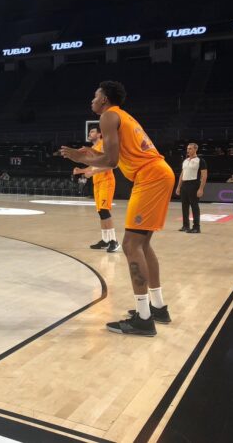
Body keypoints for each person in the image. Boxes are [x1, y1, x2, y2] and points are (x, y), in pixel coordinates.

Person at [61, 81, 174, 337]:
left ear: (104, 99)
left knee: (131, 245)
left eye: (95, 96)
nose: (92, 100)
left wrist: (81, 157)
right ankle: (158, 308)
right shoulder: (122, 116)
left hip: (151, 177)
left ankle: (144, 319)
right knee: (143, 245)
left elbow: (111, 161)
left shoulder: (109, 116)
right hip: (157, 174)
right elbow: (111, 156)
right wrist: (89, 154)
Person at [73, 126, 119, 253]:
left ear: (99, 134)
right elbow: (92, 167)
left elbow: (111, 165)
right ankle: (105, 240)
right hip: (97, 183)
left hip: (106, 181)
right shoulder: (93, 148)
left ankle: (114, 241)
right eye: (89, 132)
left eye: (92, 131)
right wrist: (80, 171)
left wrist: (93, 172)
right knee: (101, 212)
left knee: (104, 211)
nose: (89, 133)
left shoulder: (104, 145)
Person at [176, 143, 207, 234]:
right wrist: (178, 187)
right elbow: (182, 175)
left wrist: (201, 189)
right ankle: (185, 226)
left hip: (194, 184)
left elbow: (204, 176)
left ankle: (196, 227)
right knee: (184, 206)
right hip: (184, 185)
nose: (188, 150)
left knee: (194, 206)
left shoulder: (200, 160)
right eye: (187, 148)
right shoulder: (185, 161)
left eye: (190, 149)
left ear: (195, 149)